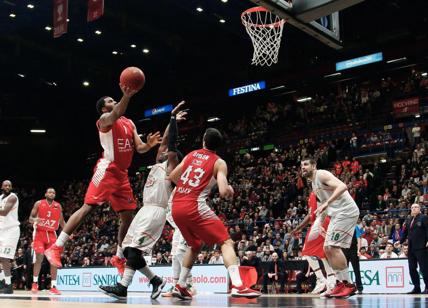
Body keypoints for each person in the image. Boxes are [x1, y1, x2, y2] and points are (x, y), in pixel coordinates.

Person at [45, 84, 161, 272]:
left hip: (122, 174)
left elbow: (139, 148)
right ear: (103, 108)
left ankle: (119, 257)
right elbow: (115, 114)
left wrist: (149, 145)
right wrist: (127, 96)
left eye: (114, 99)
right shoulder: (105, 120)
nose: (113, 101)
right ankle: (56, 246)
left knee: (127, 216)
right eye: (109, 101)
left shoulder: (129, 122)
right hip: (107, 169)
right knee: (88, 207)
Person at [99, 102, 187, 300]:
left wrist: (173, 121)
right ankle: (156, 281)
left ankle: (122, 287)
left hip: (156, 211)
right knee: (130, 249)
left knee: (135, 250)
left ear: (171, 157)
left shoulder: (172, 166)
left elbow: (170, 145)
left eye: (164, 152)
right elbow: (165, 142)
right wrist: (171, 119)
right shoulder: (159, 162)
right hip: (144, 210)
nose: (161, 151)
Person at [168, 128, 261, 299]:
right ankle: (238, 285)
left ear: (203, 140)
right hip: (194, 205)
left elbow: (173, 177)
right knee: (226, 241)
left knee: (195, 246)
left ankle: (180, 285)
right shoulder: (219, 162)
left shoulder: (191, 155)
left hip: (176, 207)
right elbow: (224, 192)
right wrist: (230, 189)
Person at [301, 158, 360, 298]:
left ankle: (349, 284)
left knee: (333, 246)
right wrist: (319, 223)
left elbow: (342, 186)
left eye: (306, 164)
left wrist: (327, 202)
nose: (303, 167)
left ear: (314, 166)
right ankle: (339, 283)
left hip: (346, 211)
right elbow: (323, 208)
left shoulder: (321, 174)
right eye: (301, 166)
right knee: (327, 248)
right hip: (336, 214)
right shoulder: (313, 184)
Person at [291, 191, 336, 296]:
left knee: (306, 251)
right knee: (322, 253)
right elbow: (311, 215)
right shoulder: (317, 192)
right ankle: (331, 281)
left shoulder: (317, 191)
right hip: (326, 221)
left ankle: (321, 279)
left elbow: (314, 214)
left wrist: (298, 228)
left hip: (322, 220)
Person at [29, 188, 66, 295]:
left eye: (53, 192)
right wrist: (35, 220)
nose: (51, 194)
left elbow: (62, 221)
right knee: (39, 257)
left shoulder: (58, 206)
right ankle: (35, 283)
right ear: (45, 194)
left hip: (51, 234)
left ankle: (53, 286)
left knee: (54, 260)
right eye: (49, 192)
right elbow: (30, 218)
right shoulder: (39, 203)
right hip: (39, 233)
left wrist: (69, 231)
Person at [400, 203, 428, 294]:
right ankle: (416, 287)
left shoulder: (423, 218)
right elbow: (406, 232)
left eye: (416, 207)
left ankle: (427, 287)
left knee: (424, 268)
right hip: (411, 248)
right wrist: (400, 241)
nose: (414, 209)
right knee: (412, 268)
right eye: (412, 207)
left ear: (420, 209)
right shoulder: (409, 219)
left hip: (421, 247)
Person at [0, 180, 20, 294]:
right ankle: (2, 280)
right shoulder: (0, 197)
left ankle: (8, 285)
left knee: (4, 258)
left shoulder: (13, 197)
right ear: (2, 187)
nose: (7, 187)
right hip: (2, 230)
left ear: (11, 187)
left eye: (9, 185)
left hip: (11, 231)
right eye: (5, 185)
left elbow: (4, 212)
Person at [342, 227, 363, 294]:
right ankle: (346, 287)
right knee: (344, 270)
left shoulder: (354, 226)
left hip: (353, 249)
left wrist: (358, 250)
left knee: (356, 269)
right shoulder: (341, 226)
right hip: (344, 249)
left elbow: (358, 237)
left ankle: (359, 287)